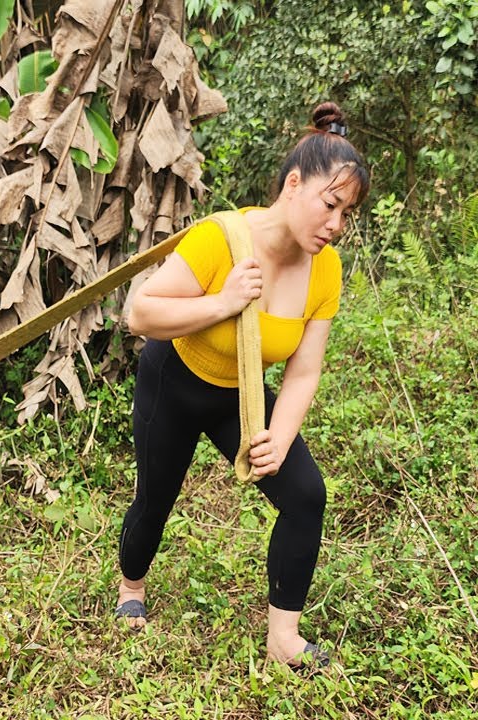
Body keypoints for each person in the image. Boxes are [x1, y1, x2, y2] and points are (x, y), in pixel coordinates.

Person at [116, 102, 369, 669]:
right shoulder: (222, 238)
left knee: (305, 495)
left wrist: (281, 435)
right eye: (330, 204)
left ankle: (284, 640)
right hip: (174, 379)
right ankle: (131, 587)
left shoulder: (325, 269)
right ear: (293, 184)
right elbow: (141, 313)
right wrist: (223, 302)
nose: (335, 225)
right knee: (155, 501)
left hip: (240, 392)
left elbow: (304, 369)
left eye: (346, 213)